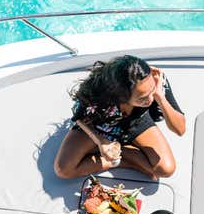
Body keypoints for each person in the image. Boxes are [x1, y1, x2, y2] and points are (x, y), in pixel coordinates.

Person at [53, 55, 186, 180]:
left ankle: (121, 152)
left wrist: (160, 96)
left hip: (136, 123)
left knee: (165, 170)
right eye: (142, 98)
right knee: (64, 170)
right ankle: (123, 161)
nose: (150, 99)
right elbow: (79, 116)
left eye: (151, 91)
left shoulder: (156, 80)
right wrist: (100, 141)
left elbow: (180, 129)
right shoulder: (100, 89)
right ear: (120, 96)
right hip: (101, 125)